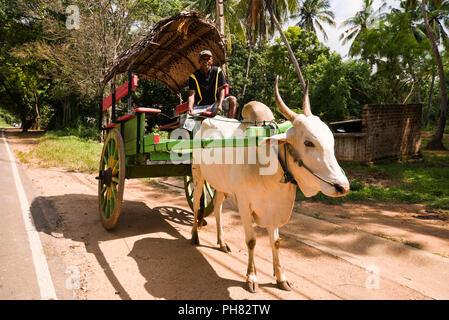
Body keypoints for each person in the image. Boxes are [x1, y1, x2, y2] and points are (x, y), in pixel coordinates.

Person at [181, 50, 237, 132]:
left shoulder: (218, 71)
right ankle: (188, 138)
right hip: (199, 107)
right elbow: (191, 95)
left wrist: (220, 104)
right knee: (187, 121)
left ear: (211, 61)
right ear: (199, 61)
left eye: (208, 59)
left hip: (214, 105)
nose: (205, 61)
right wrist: (190, 107)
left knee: (233, 99)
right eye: (203, 59)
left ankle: (230, 127)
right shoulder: (193, 76)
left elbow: (222, 89)